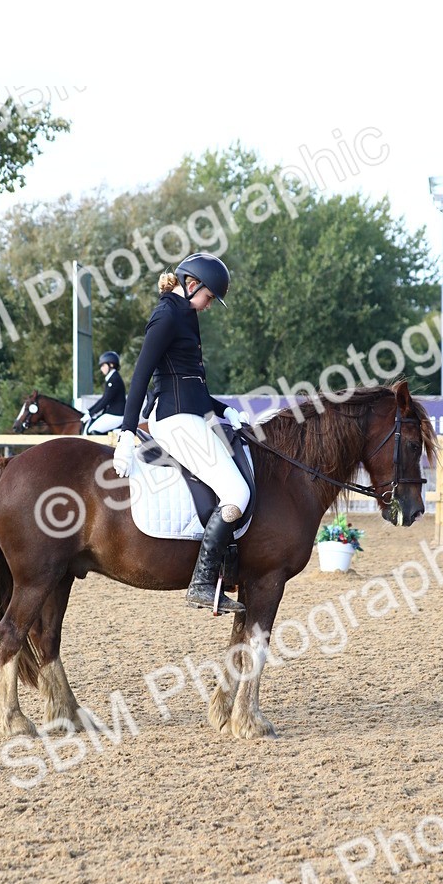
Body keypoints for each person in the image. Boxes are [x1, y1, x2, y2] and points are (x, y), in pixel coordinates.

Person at [113, 252, 249, 615]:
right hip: (176, 421)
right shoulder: (167, 314)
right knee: (237, 492)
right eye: (208, 297)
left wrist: (223, 409)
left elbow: (191, 381)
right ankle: (202, 583)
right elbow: (141, 376)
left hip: (192, 414)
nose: (208, 305)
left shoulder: (186, 314)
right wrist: (126, 433)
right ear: (192, 285)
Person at [81, 353, 126, 435]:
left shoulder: (114, 379)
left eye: (103, 365)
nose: (101, 368)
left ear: (111, 365)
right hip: (112, 413)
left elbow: (105, 400)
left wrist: (91, 414)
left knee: (92, 430)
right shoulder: (112, 378)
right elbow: (104, 398)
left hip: (116, 415)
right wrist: (89, 411)